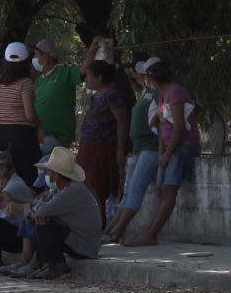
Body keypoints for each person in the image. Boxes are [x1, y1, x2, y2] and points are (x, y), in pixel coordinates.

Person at [123, 61, 200, 247]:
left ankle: (150, 234)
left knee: (168, 189)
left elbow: (179, 125)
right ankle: (148, 233)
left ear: (153, 78)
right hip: (167, 146)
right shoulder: (161, 96)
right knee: (160, 189)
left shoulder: (175, 92)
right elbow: (161, 125)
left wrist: (167, 153)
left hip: (182, 145)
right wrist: (161, 152)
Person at [0, 147, 102, 279]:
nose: (47, 174)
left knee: (44, 223)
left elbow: (42, 209)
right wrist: (31, 211)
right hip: (75, 238)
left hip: (85, 245)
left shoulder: (74, 190)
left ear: (56, 174)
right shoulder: (58, 189)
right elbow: (37, 202)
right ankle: (41, 262)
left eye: (49, 171)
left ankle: (55, 265)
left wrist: (27, 210)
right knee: (38, 217)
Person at [103, 55, 161, 243]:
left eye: (132, 68)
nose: (130, 73)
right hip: (138, 148)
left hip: (150, 147)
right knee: (128, 191)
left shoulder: (155, 93)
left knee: (135, 188)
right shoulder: (144, 93)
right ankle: (110, 229)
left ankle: (117, 230)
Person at [76, 60, 129, 224]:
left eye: (90, 76)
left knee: (98, 183)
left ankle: (100, 221)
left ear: (99, 77)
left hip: (103, 145)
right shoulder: (96, 96)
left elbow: (122, 121)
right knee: (84, 181)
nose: (87, 80)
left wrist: (120, 149)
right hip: (89, 144)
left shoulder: (113, 95)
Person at [32, 36, 103, 152]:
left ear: (45, 57)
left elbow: (84, 68)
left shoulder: (64, 72)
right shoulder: (39, 81)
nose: (34, 58)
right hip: (41, 135)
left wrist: (92, 49)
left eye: (36, 55)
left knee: (36, 156)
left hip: (58, 137)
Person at [0, 43, 41, 186]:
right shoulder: (25, 83)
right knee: (27, 176)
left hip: (2, 133)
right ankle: (24, 206)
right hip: (22, 135)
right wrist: (39, 122)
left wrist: (5, 106)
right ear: (25, 62)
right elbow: (30, 115)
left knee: (4, 177)